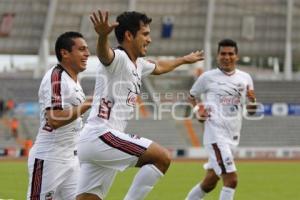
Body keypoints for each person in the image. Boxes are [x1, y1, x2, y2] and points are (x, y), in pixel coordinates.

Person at [76, 10, 204, 200]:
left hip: (97, 143)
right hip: (101, 136)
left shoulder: (139, 64)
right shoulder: (118, 59)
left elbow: (160, 67)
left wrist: (185, 60)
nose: (149, 39)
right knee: (161, 157)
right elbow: (104, 55)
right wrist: (103, 36)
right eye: (145, 34)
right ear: (129, 35)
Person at [185, 38, 257, 200]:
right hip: (215, 136)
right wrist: (198, 110)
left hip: (233, 136)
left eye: (230, 53)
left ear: (236, 56)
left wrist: (253, 102)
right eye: (223, 53)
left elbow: (250, 111)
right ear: (217, 56)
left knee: (209, 182)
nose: (227, 57)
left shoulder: (245, 78)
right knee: (231, 180)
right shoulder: (207, 77)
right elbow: (191, 96)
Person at [27, 31, 92, 200]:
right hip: (49, 158)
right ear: (65, 53)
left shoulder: (74, 80)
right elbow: (54, 118)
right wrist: (86, 105)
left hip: (72, 158)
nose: (88, 53)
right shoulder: (56, 77)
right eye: (82, 49)